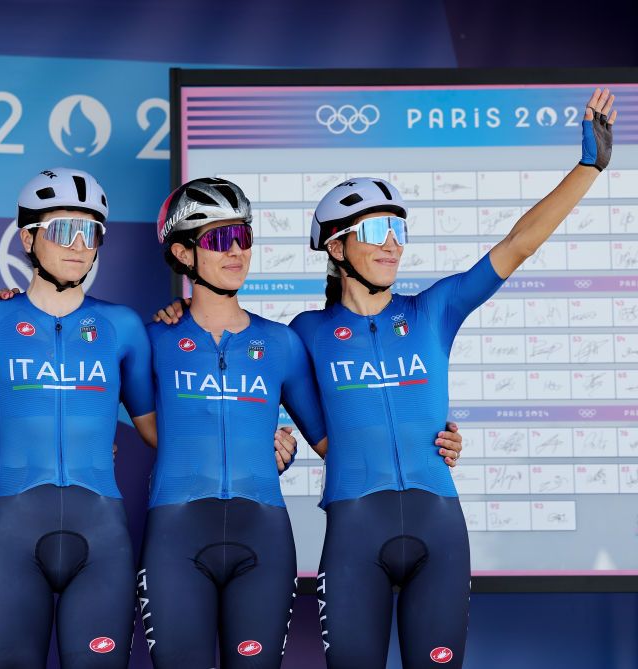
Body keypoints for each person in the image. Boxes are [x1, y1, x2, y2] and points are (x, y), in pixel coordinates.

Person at [289, 89, 615, 669]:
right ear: (335, 247)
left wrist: (587, 168)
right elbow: (299, 418)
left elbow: (517, 246)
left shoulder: (432, 310)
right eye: (374, 230)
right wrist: (173, 313)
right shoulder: (304, 332)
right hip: (354, 533)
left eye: (397, 229)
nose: (392, 243)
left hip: (440, 528)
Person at [148, 177, 464, 668]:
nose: (235, 252)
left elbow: (329, 443)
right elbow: (93, 417)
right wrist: (10, 304)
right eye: (217, 240)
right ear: (184, 254)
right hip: (176, 534)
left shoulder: (284, 341)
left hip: (264, 534)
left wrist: (429, 442)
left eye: (243, 238)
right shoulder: (148, 338)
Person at [0, 168, 159, 668]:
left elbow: (156, 431)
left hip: (101, 532)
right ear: (28, 237)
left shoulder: (122, 326)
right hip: (15, 530)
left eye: (92, 232)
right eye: (64, 229)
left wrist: (261, 439)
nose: (80, 245)